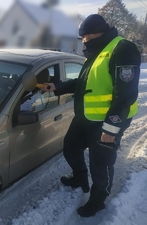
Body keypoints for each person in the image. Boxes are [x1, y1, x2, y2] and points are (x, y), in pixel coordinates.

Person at [42, 14, 141, 217]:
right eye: (83, 37)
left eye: (86, 36)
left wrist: (111, 128)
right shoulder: (97, 52)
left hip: (107, 122)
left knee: (101, 163)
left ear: (99, 32)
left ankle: (98, 201)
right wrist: (57, 87)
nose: (84, 40)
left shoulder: (122, 49)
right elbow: (83, 83)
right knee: (70, 148)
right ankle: (80, 178)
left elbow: (126, 95)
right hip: (86, 118)